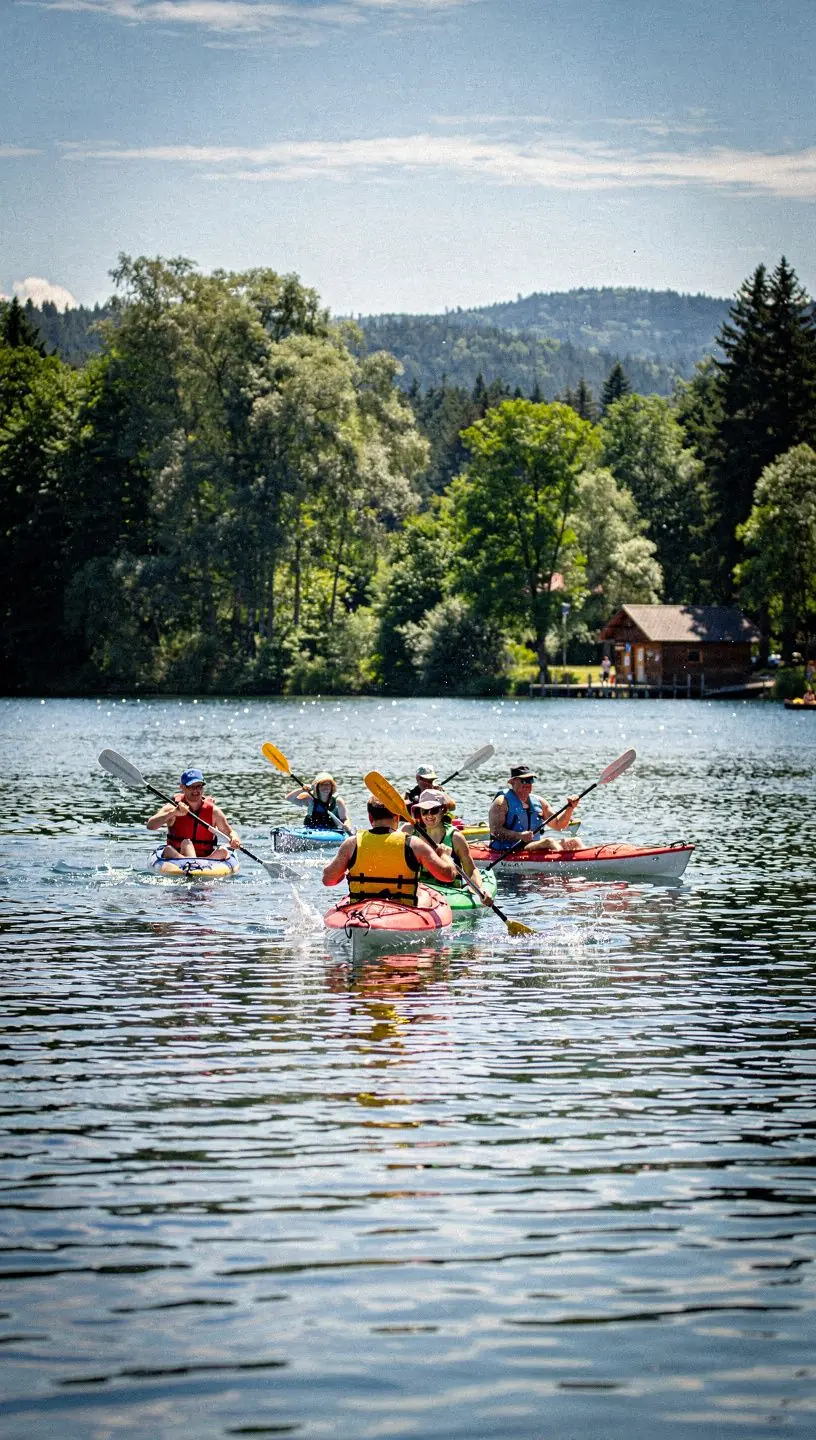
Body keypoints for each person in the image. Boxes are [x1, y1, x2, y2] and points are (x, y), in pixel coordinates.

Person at [323, 796, 457, 903]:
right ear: (397, 817)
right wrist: (445, 855)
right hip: (402, 910)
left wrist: (342, 870)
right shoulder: (414, 844)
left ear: (370, 818)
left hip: (361, 910)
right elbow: (447, 876)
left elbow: (328, 880)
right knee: (424, 893)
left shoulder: (351, 844)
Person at [406, 789, 493, 904]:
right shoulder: (411, 832)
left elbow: (470, 870)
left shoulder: (455, 837)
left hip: (450, 892)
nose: (429, 815)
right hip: (423, 891)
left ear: (443, 810)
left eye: (434, 810)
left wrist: (480, 890)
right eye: (424, 812)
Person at [146, 768, 241, 861]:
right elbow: (150, 825)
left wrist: (234, 838)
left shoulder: (213, 811)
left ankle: (197, 864)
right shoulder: (173, 807)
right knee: (182, 845)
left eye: (199, 786)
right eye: (191, 786)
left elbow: (229, 832)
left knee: (223, 851)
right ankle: (192, 864)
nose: (196, 790)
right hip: (178, 856)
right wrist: (173, 813)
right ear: (182, 787)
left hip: (207, 858)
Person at [488, 764, 581, 854]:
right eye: (524, 781)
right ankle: (564, 865)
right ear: (513, 782)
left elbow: (559, 825)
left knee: (575, 841)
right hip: (509, 849)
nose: (528, 784)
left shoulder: (539, 802)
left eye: (530, 780)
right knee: (549, 841)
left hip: (532, 846)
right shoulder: (501, 803)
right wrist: (519, 835)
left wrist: (570, 808)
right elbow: (496, 831)